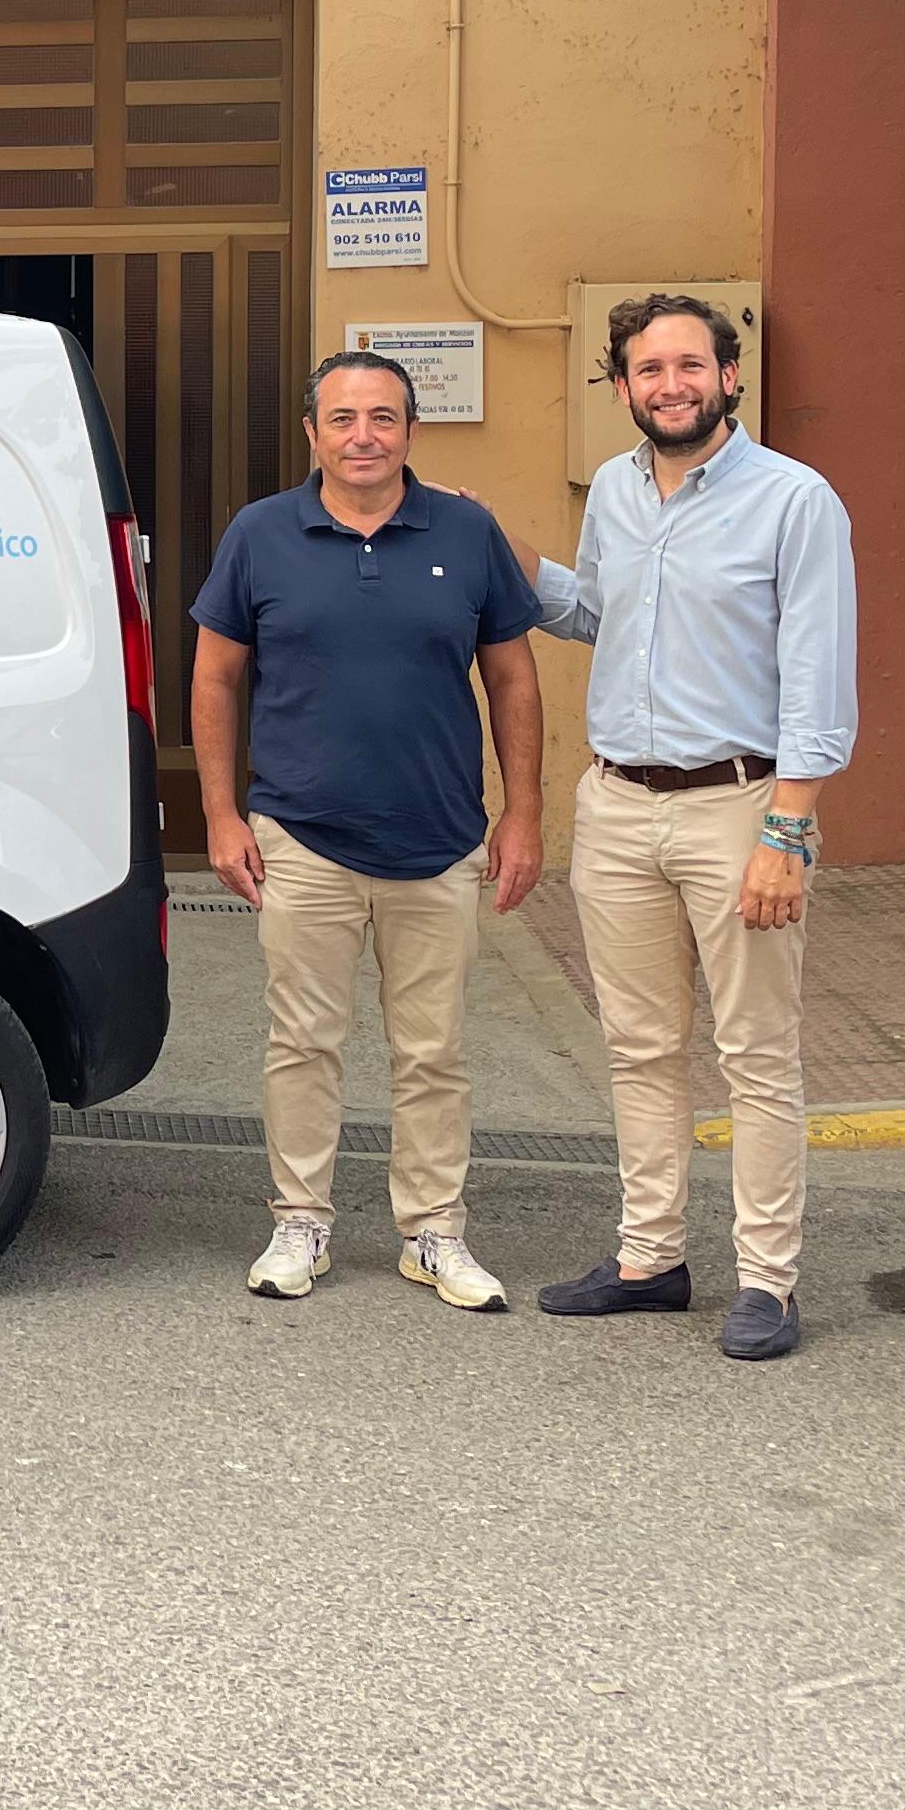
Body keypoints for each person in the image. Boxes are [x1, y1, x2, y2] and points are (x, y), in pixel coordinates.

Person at [498, 293, 856, 1359]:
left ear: (728, 377)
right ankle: (650, 1256)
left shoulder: (795, 501)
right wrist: (505, 554)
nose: (670, 385)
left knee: (756, 1052)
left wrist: (788, 832)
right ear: (622, 387)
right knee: (641, 1048)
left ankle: (769, 1282)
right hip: (617, 806)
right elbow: (594, 617)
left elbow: (820, 677)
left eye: (689, 366)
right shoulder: (614, 488)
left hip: (740, 805)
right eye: (648, 370)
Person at [192, 349, 546, 1311]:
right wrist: (222, 817)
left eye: (382, 418)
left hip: (439, 842)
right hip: (302, 837)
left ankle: (434, 1234)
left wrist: (523, 812)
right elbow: (216, 677)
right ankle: (300, 1221)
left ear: (410, 431)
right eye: (343, 419)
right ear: (312, 432)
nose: (363, 437)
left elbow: (512, 679)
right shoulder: (261, 535)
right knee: (302, 1042)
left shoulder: (468, 532)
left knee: (433, 1053)